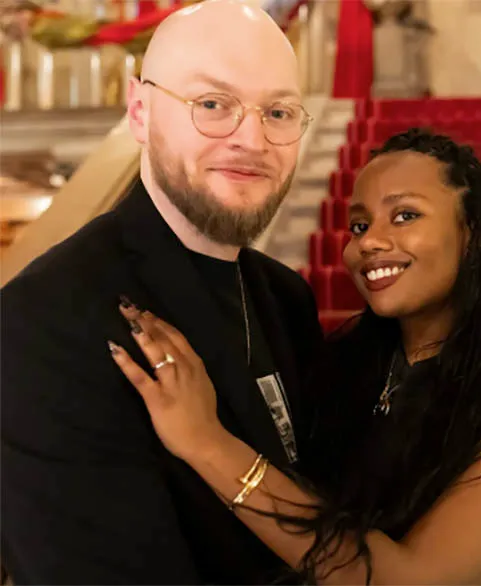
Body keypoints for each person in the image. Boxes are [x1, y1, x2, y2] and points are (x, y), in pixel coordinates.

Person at [111, 128, 481, 585]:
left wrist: (207, 443)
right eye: (359, 225)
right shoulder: (340, 369)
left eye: (405, 215)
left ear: (475, 235)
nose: (368, 242)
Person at [1, 2, 323, 583]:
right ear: (140, 112)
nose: (252, 139)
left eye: (278, 112)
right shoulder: (47, 318)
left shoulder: (287, 298)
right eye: (213, 104)